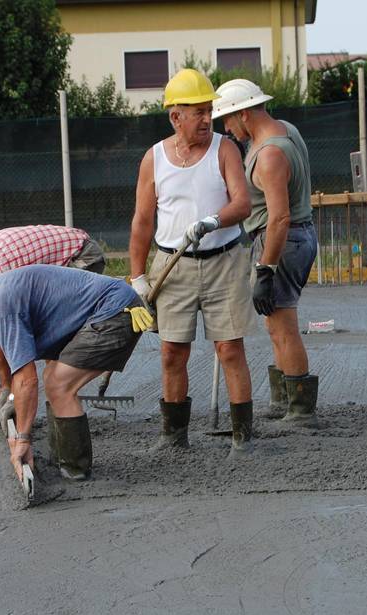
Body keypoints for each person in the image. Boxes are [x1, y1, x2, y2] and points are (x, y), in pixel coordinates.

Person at [0, 266, 152, 483]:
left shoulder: (1, 308)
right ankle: (62, 456)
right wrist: (11, 397)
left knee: (60, 385)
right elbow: (20, 374)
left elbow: (26, 379)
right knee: (53, 376)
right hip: (112, 305)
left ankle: (75, 469)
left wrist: (23, 439)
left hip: (116, 313)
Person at [127, 68, 255, 460]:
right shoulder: (155, 159)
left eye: (208, 110)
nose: (206, 119)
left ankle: (242, 438)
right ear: (174, 116)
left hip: (224, 262)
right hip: (173, 265)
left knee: (230, 348)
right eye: (197, 112)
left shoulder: (225, 149)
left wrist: (215, 219)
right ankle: (173, 436)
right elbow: (143, 221)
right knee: (172, 352)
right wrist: (137, 277)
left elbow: (243, 202)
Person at [212, 79, 320, 427]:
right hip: (296, 237)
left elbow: (279, 218)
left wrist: (265, 269)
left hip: (282, 242)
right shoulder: (286, 130)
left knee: (283, 326)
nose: (226, 129)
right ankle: (285, 399)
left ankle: (301, 411)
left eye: (228, 120)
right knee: (276, 325)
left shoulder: (271, 154)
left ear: (244, 113)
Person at [0, 225, 106, 426]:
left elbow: (15, 339)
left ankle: (60, 401)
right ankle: (48, 399)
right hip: (55, 259)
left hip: (81, 255)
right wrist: (7, 389)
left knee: (51, 334)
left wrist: (19, 393)